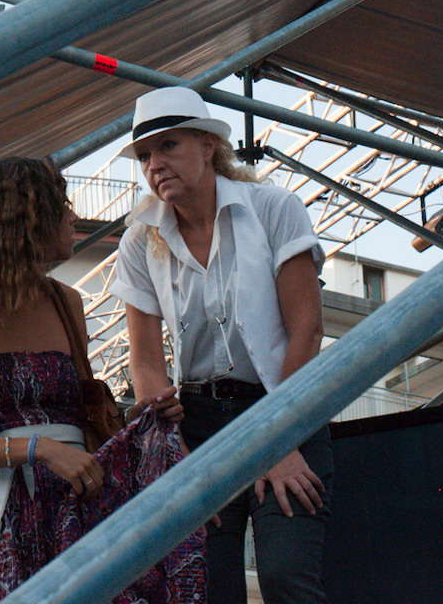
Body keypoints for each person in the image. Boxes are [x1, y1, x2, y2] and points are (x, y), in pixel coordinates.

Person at [0, 157, 205, 603]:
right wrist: (35, 449)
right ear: (25, 219)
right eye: (60, 206)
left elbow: (83, 416)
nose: (72, 217)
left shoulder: (67, 302)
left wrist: (142, 419)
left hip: (75, 507)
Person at [109, 87, 331, 604]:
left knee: (287, 576)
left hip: (281, 406)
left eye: (168, 146)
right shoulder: (139, 240)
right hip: (196, 422)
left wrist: (278, 439)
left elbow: (307, 329)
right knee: (208, 588)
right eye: (144, 155)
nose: (154, 164)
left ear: (209, 146)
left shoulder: (273, 207)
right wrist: (176, 449)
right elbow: (145, 360)